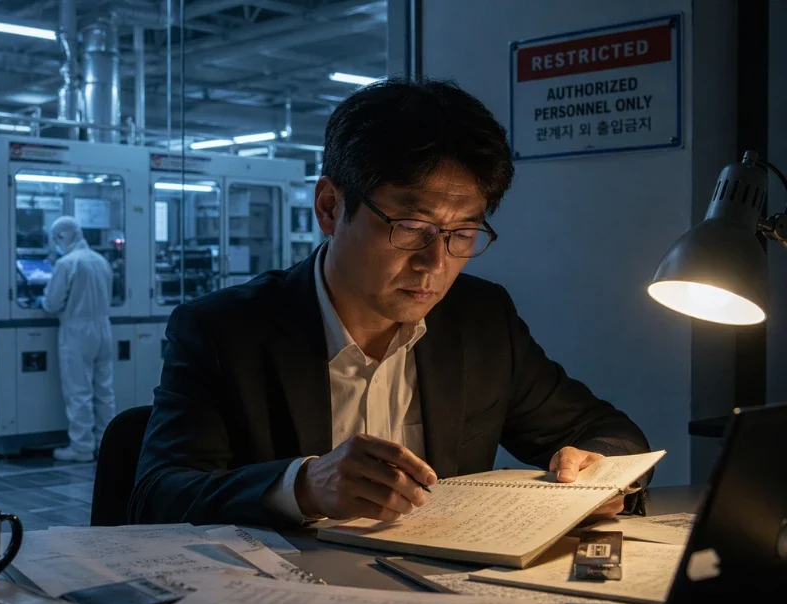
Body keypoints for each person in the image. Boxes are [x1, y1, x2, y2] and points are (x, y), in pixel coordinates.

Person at [131, 78, 653, 527]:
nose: (434, 262)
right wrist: (303, 486)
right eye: (410, 227)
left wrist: (601, 471)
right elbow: (157, 495)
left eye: (463, 232)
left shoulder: (480, 320)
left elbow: (610, 433)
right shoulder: (224, 330)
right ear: (331, 208)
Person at [42, 216, 116, 462]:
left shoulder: (67, 263)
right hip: (104, 328)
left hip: (77, 331)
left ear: (62, 237)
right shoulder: (101, 261)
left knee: (79, 390)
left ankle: (82, 448)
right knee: (104, 390)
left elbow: (52, 304)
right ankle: (106, 445)